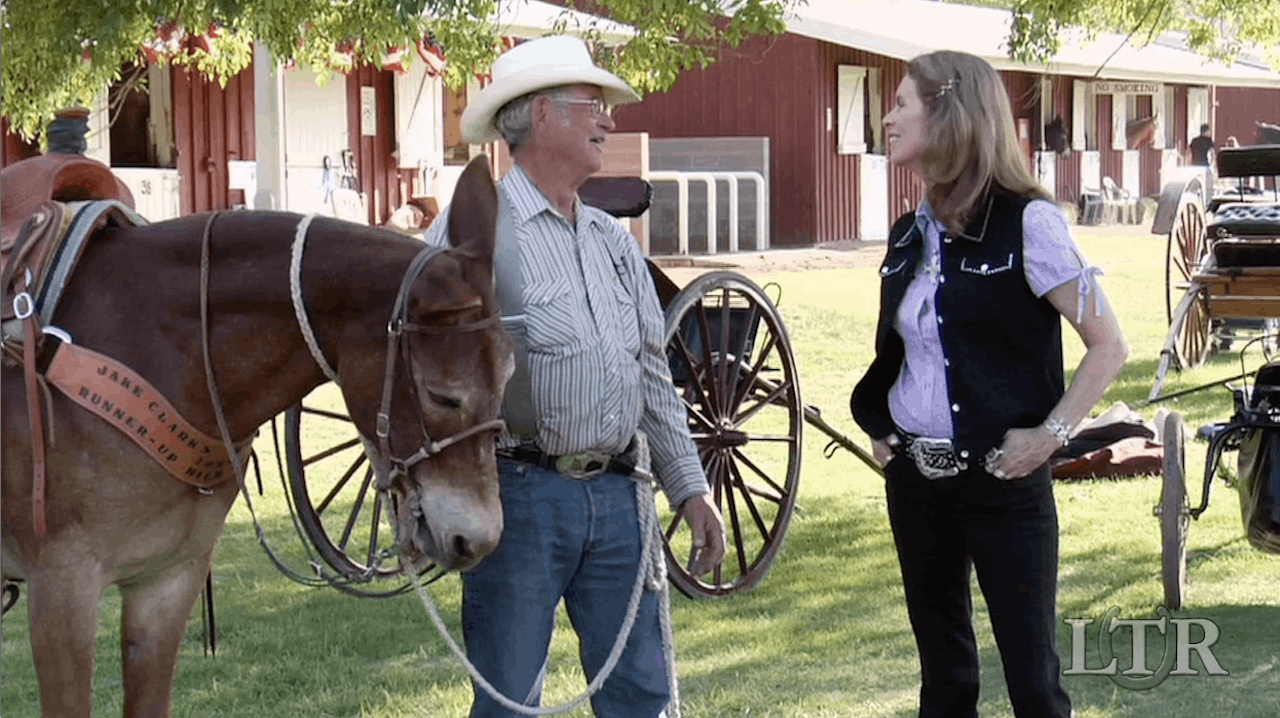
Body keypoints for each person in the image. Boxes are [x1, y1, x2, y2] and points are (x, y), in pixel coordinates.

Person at [422, 35, 726, 718]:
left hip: (623, 501)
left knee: (642, 699)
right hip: (522, 500)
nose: (609, 121)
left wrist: (691, 490)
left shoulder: (614, 243)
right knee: (507, 703)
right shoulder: (472, 232)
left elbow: (653, 380)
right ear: (540, 116)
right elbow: (415, 368)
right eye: (592, 104)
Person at [850, 50, 1128, 718]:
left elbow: (1109, 346)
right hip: (917, 486)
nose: (887, 118)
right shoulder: (906, 236)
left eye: (901, 104)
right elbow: (909, 354)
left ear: (948, 115)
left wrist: (1051, 437)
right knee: (944, 684)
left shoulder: (1029, 224)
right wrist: (886, 433)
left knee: (1033, 686)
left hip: (1005, 484)